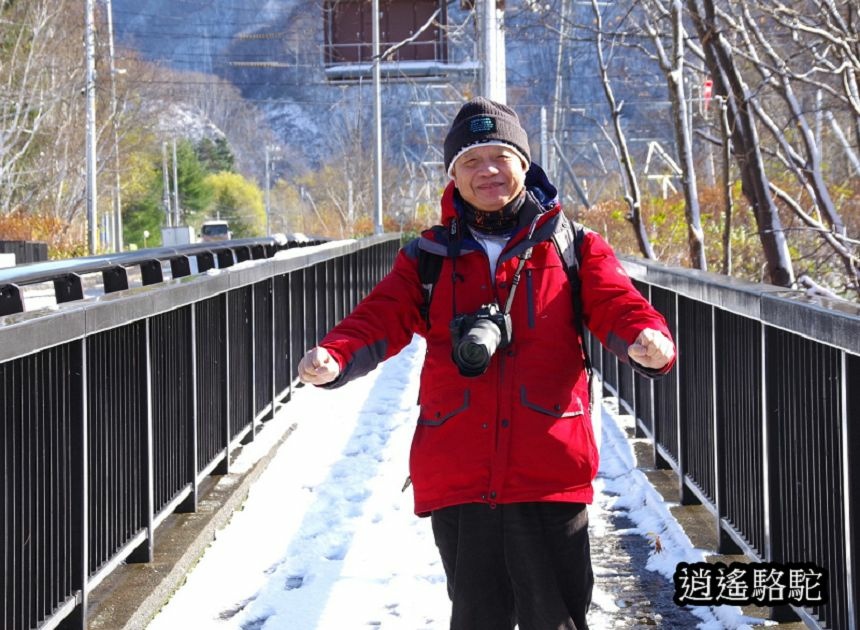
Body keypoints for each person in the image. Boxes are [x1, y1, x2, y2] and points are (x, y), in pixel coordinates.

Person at [298, 97, 675, 630]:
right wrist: (335, 355)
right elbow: (379, 317)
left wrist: (646, 338)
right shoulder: (427, 256)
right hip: (460, 468)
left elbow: (617, 302)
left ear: (524, 163)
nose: (488, 171)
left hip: (547, 467)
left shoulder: (573, 245)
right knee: (477, 619)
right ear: (453, 176)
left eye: (500, 155)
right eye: (471, 161)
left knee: (558, 619)